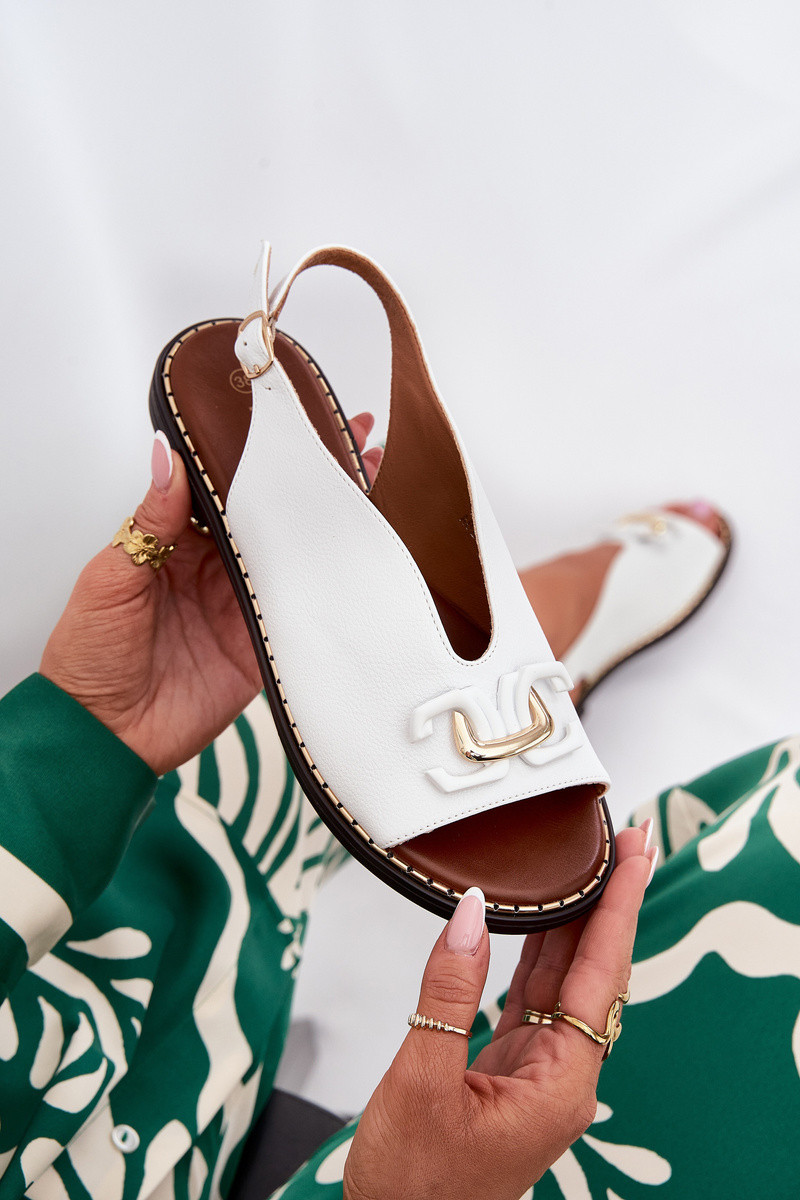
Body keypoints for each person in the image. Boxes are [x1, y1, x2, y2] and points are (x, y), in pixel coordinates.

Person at [0, 424, 794, 1200]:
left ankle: (529, 648)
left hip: (45, 968)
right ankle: (509, 682)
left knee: (256, 738)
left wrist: (88, 738)